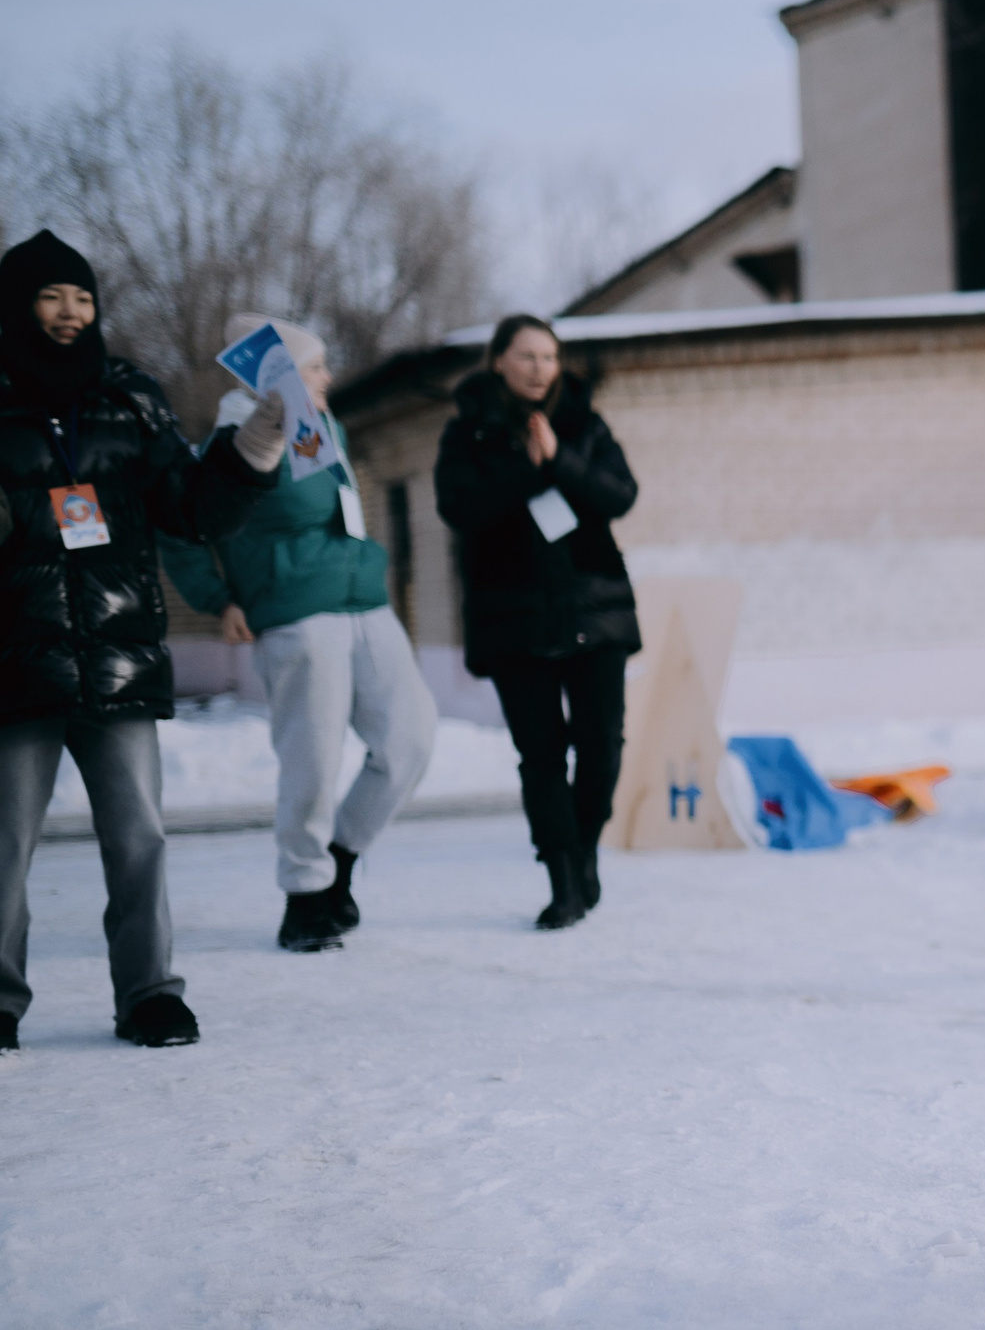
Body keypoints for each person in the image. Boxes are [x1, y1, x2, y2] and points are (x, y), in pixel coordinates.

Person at [0, 230, 284, 1050]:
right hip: (17, 654)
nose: (69, 313)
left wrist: (257, 444)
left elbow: (190, 506)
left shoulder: (130, 396)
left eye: (82, 298)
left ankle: (151, 993)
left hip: (119, 647)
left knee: (140, 835)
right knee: (6, 842)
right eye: (51, 296)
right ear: (19, 304)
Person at [163, 315, 439, 952]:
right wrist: (217, 599)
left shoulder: (324, 427)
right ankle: (305, 893)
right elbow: (178, 530)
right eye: (314, 367)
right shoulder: (233, 441)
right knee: (312, 758)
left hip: (364, 601)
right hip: (294, 612)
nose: (328, 377)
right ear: (278, 376)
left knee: (410, 742)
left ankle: (339, 861)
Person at [433, 315, 638, 932]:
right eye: (525, 356)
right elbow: (458, 508)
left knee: (602, 746)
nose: (539, 368)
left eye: (549, 357)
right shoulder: (467, 430)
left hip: (594, 611)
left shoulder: (585, 423)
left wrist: (562, 461)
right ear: (498, 360)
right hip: (512, 618)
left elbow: (621, 495)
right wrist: (527, 469)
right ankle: (561, 879)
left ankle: (586, 846)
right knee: (541, 755)